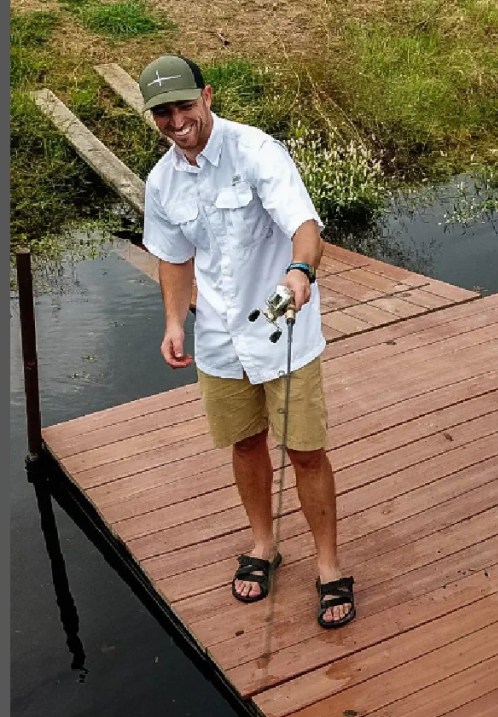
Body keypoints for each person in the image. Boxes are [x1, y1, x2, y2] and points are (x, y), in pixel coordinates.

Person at [138, 54, 354, 629]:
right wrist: (173, 324)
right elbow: (174, 258)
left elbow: (305, 229)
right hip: (216, 337)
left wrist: (300, 273)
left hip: (284, 328)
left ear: (206, 96)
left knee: (305, 450)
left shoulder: (257, 152)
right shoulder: (160, 183)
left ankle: (328, 565)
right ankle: (264, 544)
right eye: (163, 111)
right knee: (244, 443)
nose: (176, 119)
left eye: (184, 105)